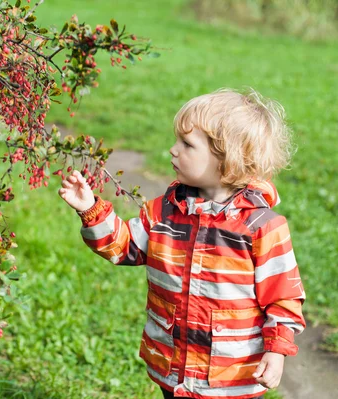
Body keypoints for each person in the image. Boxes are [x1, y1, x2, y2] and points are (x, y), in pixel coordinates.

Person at [58, 88, 306, 399]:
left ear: (227, 160)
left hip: (231, 376)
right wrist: (90, 209)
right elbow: (123, 246)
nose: (173, 150)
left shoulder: (261, 228)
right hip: (172, 366)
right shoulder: (164, 212)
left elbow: (284, 299)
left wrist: (277, 349)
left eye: (187, 144)